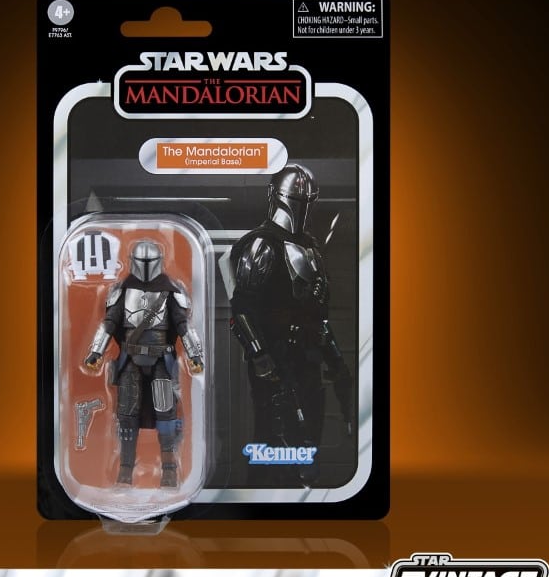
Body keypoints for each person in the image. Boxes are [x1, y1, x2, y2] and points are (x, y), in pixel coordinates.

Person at [229, 164, 353, 483]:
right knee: (275, 443)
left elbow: (317, 317)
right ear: (278, 197)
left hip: (308, 361)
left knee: (308, 446)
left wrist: (337, 363)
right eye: (298, 200)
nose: (303, 207)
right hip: (277, 363)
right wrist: (260, 356)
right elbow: (242, 309)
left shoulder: (311, 248)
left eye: (307, 201)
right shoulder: (262, 245)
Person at [85, 240, 203, 487]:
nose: (146, 267)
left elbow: (182, 325)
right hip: (131, 360)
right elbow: (110, 323)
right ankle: (125, 469)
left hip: (161, 359)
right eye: (142, 262)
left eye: (150, 262)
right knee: (127, 414)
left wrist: (195, 355)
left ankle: (169, 469)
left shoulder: (171, 291)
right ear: (133, 262)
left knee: (166, 414)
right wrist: (96, 352)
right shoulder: (122, 290)